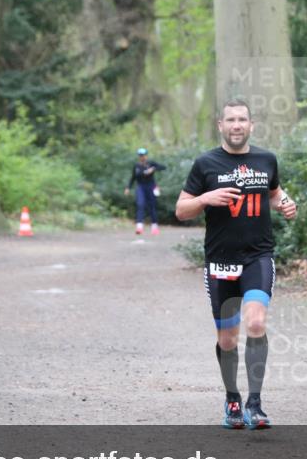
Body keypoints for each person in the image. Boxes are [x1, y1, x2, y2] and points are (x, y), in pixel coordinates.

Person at [175, 99, 297, 429]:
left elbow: (273, 192)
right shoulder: (205, 164)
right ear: (220, 125)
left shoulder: (266, 159)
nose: (237, 124)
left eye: (242, 119)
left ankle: (255, 404)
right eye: (230, 119)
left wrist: (286, 203)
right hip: (220, 262)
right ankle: (232, 399)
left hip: (258, 256)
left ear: (251, 125)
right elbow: (181, 209)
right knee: (228, 339)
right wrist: (205, 199)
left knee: (256, 323)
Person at [125, 148, 166, 235]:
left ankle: (154, 227)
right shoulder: (137, 166)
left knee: (152, 206)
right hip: (141, 187)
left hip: (151, 186)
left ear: (146, 156)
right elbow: (133, 177)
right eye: (140, 155)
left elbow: (163, 167)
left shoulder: (151, 163)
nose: (142, 157)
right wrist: (128, 187)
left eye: (143, 155)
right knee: (140, 204)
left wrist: (153, 168)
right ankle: (139, 227)